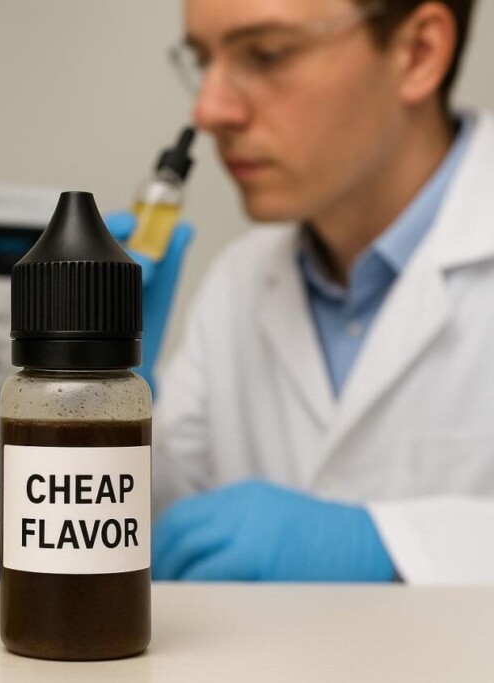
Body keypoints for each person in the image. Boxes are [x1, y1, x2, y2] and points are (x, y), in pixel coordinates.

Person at [109, 0, 494, 584]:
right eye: (203, 60)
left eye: (266, 54)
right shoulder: (238, 283)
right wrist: (105, 400)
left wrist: (394, 548)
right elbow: (166, 533)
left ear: (418, 54)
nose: (209, 110)